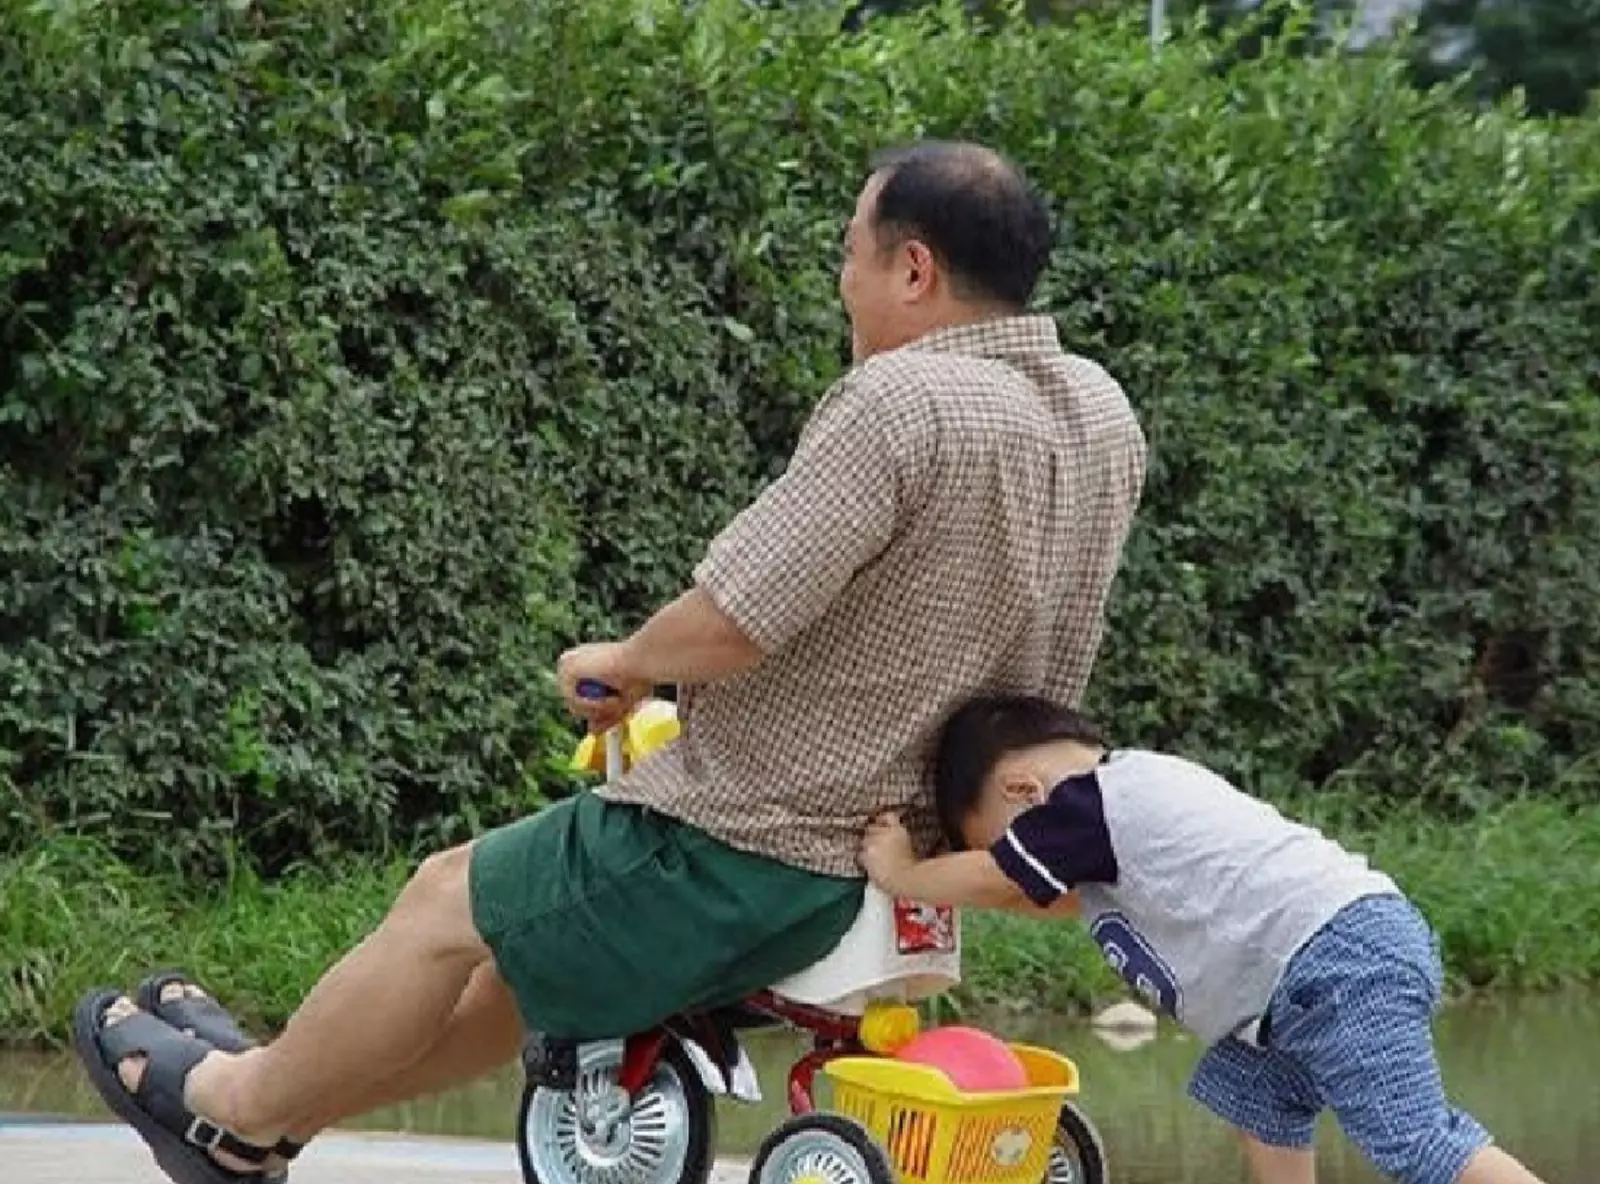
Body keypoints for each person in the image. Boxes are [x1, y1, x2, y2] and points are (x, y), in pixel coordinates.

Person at [71, 140, 1146, 1183]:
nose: (841, 278)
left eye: (849, 250)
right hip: (915, 843)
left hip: (761, 835)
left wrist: (626, 661)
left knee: (447, 894)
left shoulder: (901, 399)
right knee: (505, 976)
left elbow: (737, 612)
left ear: (912, 267)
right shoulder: (1100, 411)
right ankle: (268, 1109)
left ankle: (228, 1103)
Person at [859, 694, 1550, 1184]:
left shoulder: (1095, 798)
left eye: (1005, 842)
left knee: (1416, 1143)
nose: (1015, 864)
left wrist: (904, 872)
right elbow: (1034, 894)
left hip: (1330, 960)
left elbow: (993, 876)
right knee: (1258, 1099)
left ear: (1023, 790)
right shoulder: (1115, 825)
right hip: (1298, 984)